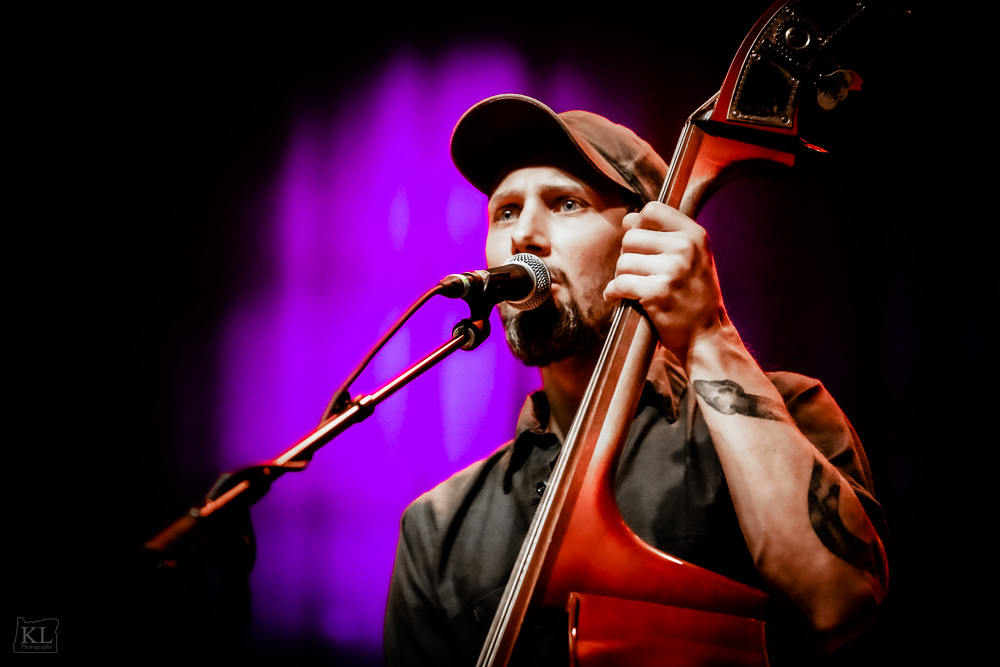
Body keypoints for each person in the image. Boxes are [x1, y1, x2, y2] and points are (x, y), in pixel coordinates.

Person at [384, 94, 889, 665]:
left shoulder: (788, 413)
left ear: (644, 241)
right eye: (505, 212)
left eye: (565, 203)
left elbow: (839, 602)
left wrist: (706, 337)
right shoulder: (438, 526)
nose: (523, 234)